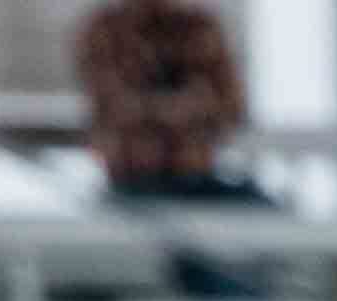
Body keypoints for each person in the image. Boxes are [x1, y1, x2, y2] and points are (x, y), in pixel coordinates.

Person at [74, 0, 252, 205]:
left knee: (265, 218)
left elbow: (231, 105)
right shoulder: (106, 29)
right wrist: (187, 105)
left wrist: (164, 109)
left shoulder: (198, 27)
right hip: (131, 180)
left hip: (196, 176)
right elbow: (117, 106)